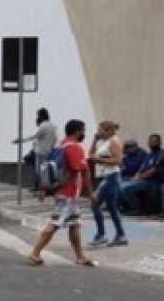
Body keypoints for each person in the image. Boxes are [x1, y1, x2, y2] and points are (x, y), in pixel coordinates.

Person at [30, 120, 97, 266]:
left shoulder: (61, 144)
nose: (84, 134)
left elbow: (48, 167)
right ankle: (35, 252)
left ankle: (80, 256)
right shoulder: (74, 148)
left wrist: (43, 188)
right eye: (83, 130)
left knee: (74, 223)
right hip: (69, 193)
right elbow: (83, 171)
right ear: (78, 131)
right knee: (55, 223)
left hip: (64, 192)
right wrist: (91, 193)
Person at [88, 120, 127, 247]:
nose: (99, 132)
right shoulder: (102, 142)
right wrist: (94, 141)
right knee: (111, 206)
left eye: (101, 130)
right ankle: (121, 235)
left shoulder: (114, 141)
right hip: (104, 177)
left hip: (111, 177)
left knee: (95, 205)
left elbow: (118, 160)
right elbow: (90, 154)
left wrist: (99, 160)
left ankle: (101, 234)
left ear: (109, 130)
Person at [13, 108, 58, 191]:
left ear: (41, 115)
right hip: (48, 151)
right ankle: (43, 188)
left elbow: (34, 136)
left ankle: (41, 188)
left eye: (38, 115)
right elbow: (55, 139)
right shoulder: (53, 126)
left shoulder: (43, 126)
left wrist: (20, 140)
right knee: (45, 170)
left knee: (39, 170)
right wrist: (51, 147)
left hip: (40, 151)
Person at [120, 134, 163, 214]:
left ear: (160, 142)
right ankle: (123, 207)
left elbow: (155, 169)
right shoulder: (149, 155)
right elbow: (142, 167)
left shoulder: (161, 154)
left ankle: (136, 208)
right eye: (151, 141)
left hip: (152, 182)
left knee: (125, 188)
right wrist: (136, 176)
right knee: (119, 184)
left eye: (155, 141)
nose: (152, 143)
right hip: (143, 179)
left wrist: (140, 177)